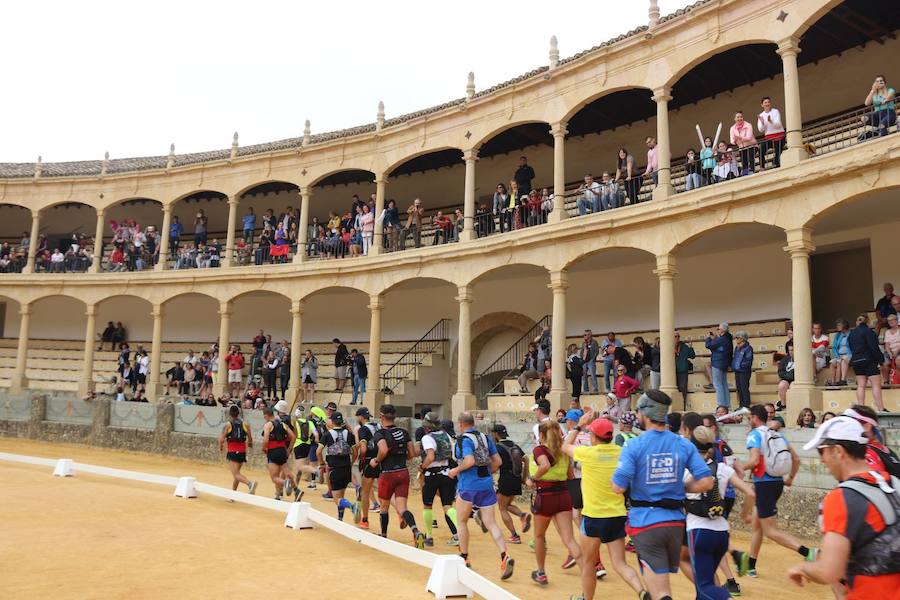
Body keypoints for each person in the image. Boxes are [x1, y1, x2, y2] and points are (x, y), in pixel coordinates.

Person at [611, 391, 713, 600]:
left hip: (646, 522)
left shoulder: (634, 445)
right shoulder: (683, 443)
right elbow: (707, 482)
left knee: (660, 593)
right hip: (676, 523)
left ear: (645, 414)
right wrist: (678, 487)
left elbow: (618, 487)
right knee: (664, 587)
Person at [788, 415, 900, 598]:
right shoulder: (894, 483)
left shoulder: (841, 498)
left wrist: (803, 567)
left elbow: (829, 572)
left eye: (822, 452)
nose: (822, 460)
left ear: (838, 451)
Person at [562, 411, 648, 600]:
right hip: (617, 515)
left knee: (588, 563)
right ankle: (641, 591)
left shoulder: (588, 453)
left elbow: (564, 446)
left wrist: (578, 426)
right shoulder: (621, 451)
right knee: (620, 564)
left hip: (593, 517)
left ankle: (586, 598)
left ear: (593, 436)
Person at [732, 404, 814, 578]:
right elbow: (796, 459)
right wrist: (790, 478)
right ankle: (751, 566)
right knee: (757, 525)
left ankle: (809, 553)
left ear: (754, 417)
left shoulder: (754, 435)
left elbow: (754, 461)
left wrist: (737, 467)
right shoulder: (777, 434)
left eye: (750, 418)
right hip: (775, 483)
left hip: (764, 485)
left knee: (770, 530)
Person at [684, 425, 755, 600]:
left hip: (698, 531)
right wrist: (745, 514)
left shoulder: (686, 471)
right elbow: (751, 492)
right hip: (722, 533)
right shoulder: (723, 469)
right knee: (706, 586)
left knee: (704, 586)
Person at [449, 412, 514, 579]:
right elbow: (498, 462)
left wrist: (455, 470)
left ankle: (464, 557)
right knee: (491, 523)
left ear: (461, 424)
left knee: (461, 521)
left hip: (468, 485)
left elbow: (469, 461)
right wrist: (485, 474)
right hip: (486, 484)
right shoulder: (485, 438)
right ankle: (504, 555)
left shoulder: (464, 440)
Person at [525, 419, 582, 586]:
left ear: (541, 434)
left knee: (539, 536)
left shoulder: (539, 449)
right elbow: (571, 475)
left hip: (545, 495)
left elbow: (544, 465)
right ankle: (587, 569)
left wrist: (532, 479)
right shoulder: (564, 450)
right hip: (563, 495)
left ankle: (541, 572)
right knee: (569, 539)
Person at [370, 404, 425, 547]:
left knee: (384, 507)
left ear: (381, 417)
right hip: (403, 472)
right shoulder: (404, 432)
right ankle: (416, 531)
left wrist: (376, 460)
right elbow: (412, 454)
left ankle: (383, 535)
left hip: (387, 473)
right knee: (402, 508)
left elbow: (383, 450)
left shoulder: (380, 433)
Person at [418, 412, 458, 547]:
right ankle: (459, 531)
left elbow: (430, 457)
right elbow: (452, 454)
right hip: (446, 473)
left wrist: (422, 468)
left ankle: (429, 536)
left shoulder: (427, 438)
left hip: (432, 474)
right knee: (447, 506)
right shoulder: (446, 435)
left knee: (427, 505)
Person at [491, 424, 531, 544]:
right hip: (516, 478)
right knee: (507, 504)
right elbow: (526, 459)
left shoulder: (498, 447)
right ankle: (522, 515)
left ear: (496, 434)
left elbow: (496, 463)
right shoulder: (515, 445)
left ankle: (514, 535)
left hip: (506, 479)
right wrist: (524, 477)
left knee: (502, 508)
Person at [320, 411, 359, 521]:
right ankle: (340, 518)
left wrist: (322, 463)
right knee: (341, 496)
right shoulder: (349, 434)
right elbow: (355, 452)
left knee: (336, 498)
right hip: (346, 468)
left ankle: (352, 506)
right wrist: (351, 463)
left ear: (332, 421)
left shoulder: (327, 434)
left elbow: (318, 451)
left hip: (334, 468)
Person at [260, 407, 300, 501]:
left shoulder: (268, 425)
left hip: (273, 451)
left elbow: (266, 439)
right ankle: (295, 490)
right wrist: (289, 449)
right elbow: (293, 437)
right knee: (286, 471)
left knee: (274, 477)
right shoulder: (283, 424)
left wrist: (263, 448)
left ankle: (286, 484)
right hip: (282, 450)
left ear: (266, 415)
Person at [848, 314, 886, 411]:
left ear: (857, 322)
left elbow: (851, 347)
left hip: (856, 360)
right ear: (868, 322)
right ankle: (881, 408)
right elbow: (874, 348)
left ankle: (861, 408)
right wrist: (881, 360)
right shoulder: (869, 332)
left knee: (861, 385)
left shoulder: (851, 333)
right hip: (868, 360)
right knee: (876, 384)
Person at [218, 404, 258, 495]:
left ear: (230, 414)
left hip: (233, 450)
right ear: (238, 413)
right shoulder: (245, 424)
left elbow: (221, 439)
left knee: (236, 474)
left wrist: (221, 447)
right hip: (242, 451)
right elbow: (250, 438)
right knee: (237, 474)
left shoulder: (228, 425)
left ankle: (250, 483)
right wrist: (250, 444)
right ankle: (233, 495)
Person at [705, 324, 733, 409]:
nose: (717, 331)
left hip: (718, 363)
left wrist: (708, 338)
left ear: (723, 330)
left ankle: (721, 405)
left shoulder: (722, 339)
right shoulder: (727, 339)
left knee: (718, 385)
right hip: (724, 363)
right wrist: (715, 338)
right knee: (724, 384)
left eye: (719, 329)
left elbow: (708, 345)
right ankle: (727, 405)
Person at [757, 96, 785, 169]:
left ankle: (776, 163)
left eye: (768, 102)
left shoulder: (775, 111)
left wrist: (771, 121)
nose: (767, 104)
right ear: (762, 105)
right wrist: (763, 122)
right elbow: (760, 129)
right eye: (765, 102)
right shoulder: (761, 115)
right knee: (761, 149)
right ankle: (762, 167)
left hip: (779, 136)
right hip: (769, 137)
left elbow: (778, 124)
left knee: (778, 151)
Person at [729, 111, 756, 176]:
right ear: (734, 119)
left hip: (751, 145)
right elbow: (732, 141)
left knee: (751, 159)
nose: (739, 118)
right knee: (744, 162)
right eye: (738, 117)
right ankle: (745, 174)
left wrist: (739, 137)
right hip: (741, 147)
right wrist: (735, 140)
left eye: (741, 117)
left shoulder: (748, 125)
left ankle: (752, 172)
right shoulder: (732, 128)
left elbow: (749, 137)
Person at [731, 331, 753, 408]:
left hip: (744, 372)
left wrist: (739, 366)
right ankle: (741, 405)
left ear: (743, 339)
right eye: (735, 337)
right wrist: (733, 366)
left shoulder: (748, 348)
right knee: (739, 388)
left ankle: (746, 405)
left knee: (744, 388)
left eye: (737, 337)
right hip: (737, 371)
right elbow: (735, 358)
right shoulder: (737, 348)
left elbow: (748, 361)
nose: (736, 339)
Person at [674, 333, 695, 406]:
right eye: (675, 336)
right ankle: (676, 405)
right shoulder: (668, 346)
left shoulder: (684, 346)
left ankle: (683, 405)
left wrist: (691, 347)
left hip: (683, 370)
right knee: (674, 389)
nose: (677, 338)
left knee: (683, 388)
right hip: (672, 372)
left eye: (678, 336)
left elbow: (692, 356)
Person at [830, 318, 852, 386]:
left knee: (842, 360)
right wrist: (837, 356)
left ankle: (842, 380)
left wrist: (842, 357)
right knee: (832, 363)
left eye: (839, 325)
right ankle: (833, 382)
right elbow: (834, 347)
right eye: (837, 325)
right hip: (839, 355)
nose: (837, 327)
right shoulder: (838, 335)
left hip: (849, 354)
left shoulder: (851, 334)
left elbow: (853, 346)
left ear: (844, 325)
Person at [777, 344, 795, 409]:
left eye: (792, 350)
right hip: (786, 379)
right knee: (782, 385)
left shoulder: (801, 359)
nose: (791, 352)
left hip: (796, 380)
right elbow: (780, 371)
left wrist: (789, 374)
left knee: (793, 386)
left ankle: (792, 406)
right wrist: (787, 375)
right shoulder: (785, 359)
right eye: (790, 350)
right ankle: (783, 405)